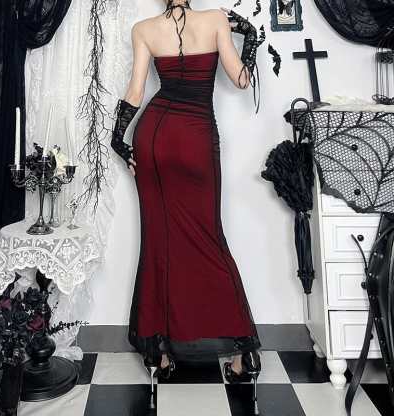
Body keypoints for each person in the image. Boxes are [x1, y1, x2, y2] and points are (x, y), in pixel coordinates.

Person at [111, 0, 262, 412]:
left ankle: (159, 353)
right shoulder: (215, 20)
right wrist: (250, 39)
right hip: (195, 138)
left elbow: (136, 91)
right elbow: (242, 80)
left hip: (154, 137)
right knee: (209, 238)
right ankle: (242, 351)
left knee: (158, 240)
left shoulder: (144, 28)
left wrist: (118, 138)